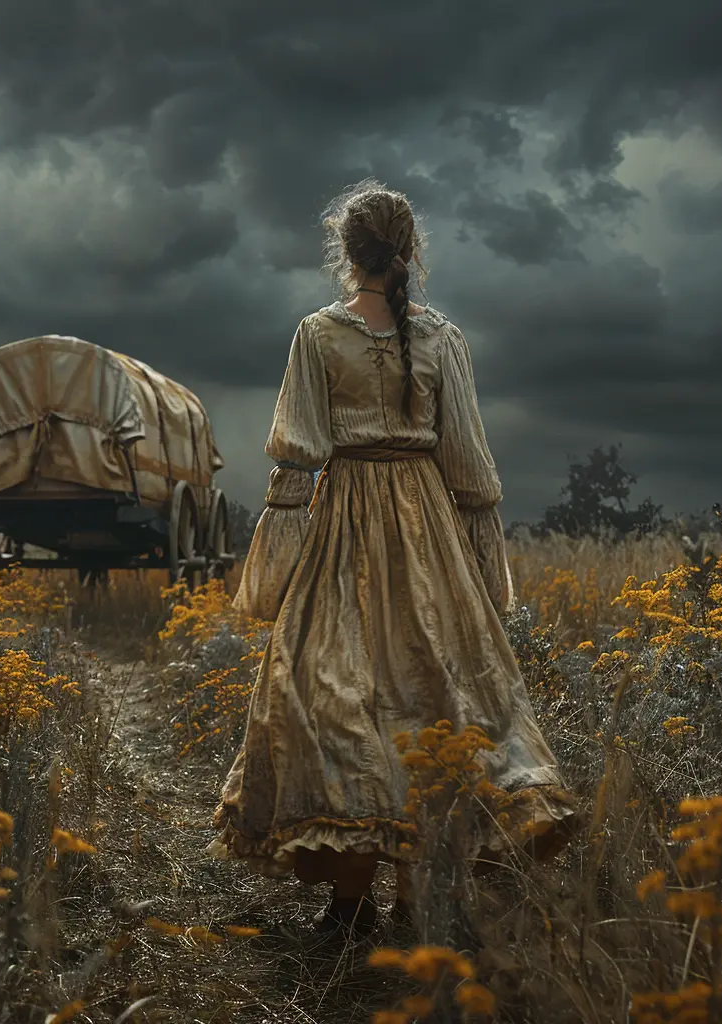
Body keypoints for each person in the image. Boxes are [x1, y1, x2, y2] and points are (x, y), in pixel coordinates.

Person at [208, 180, 577, 938]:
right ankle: (407, 893)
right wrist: (478, 571)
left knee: (328, 692)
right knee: (433, 692)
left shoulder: (319, 333)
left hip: (343, 522)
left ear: (345, 253)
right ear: (411, 251)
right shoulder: (443, 337)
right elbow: (470, 468)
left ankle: (357, 901)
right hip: (429, 525)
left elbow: (298, 455)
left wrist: (277, 567)